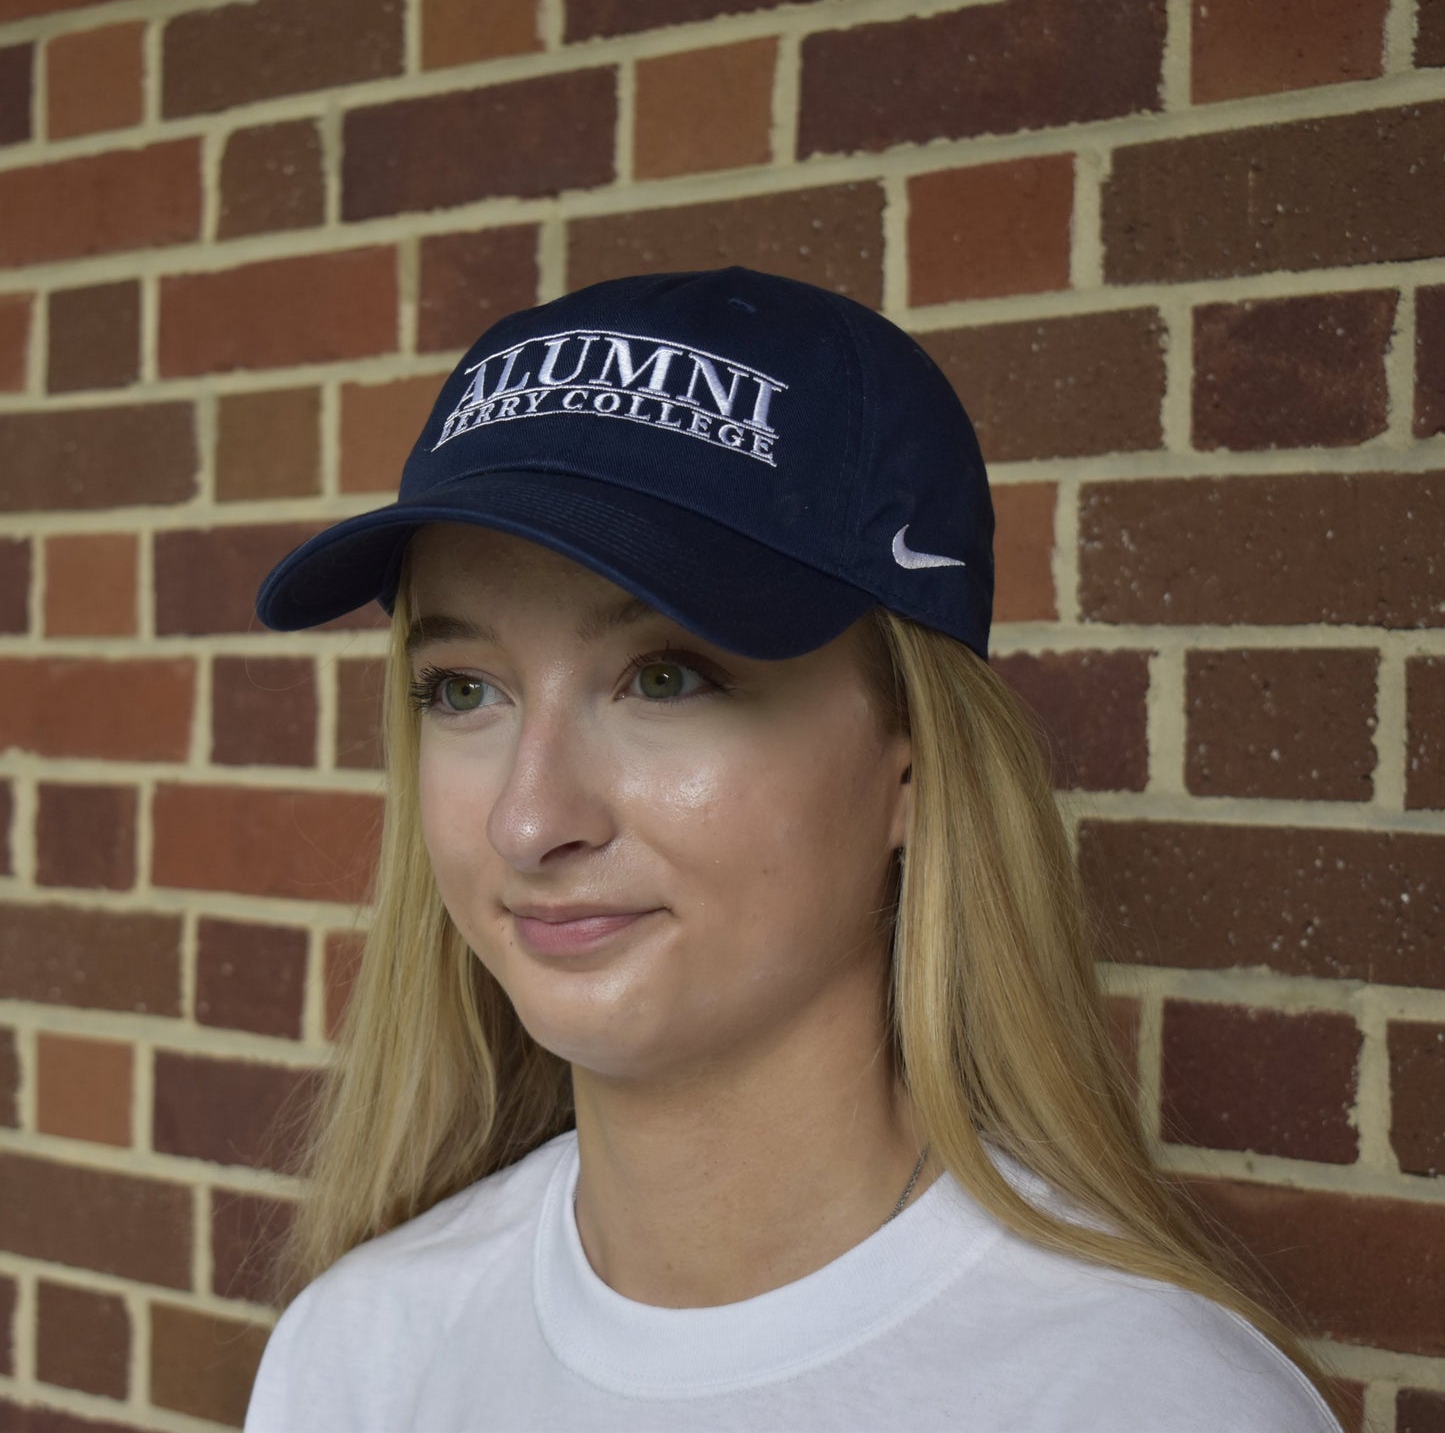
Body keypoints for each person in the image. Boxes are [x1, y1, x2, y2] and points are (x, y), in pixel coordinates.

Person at [243, 266, 1346, 1432]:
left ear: (911, 765)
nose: (528, 818)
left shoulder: (1139, 1397)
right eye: (462, 688)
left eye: (665, 677)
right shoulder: (359, 1349)